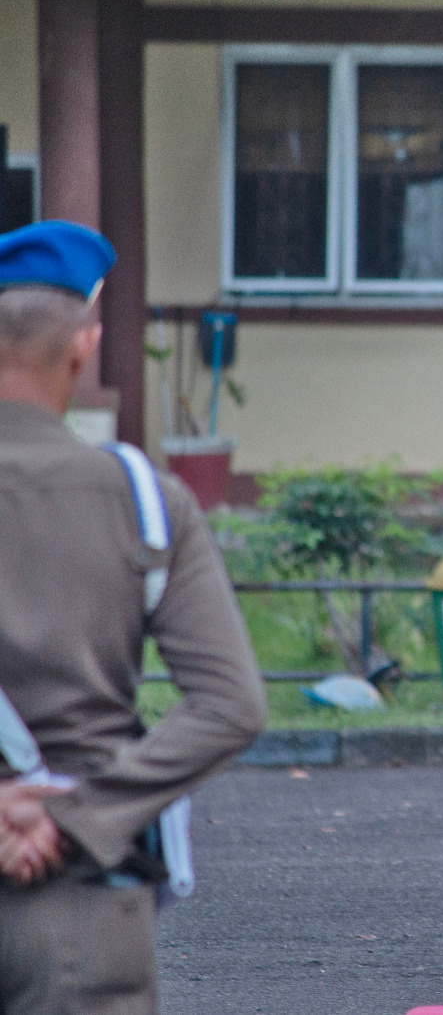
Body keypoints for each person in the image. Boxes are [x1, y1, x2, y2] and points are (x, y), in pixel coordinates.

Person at [0, 221, 267, 1014]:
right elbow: (232, 705)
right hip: (81, 899)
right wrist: (79, 817)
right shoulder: (144, 501)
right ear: (83, 343)